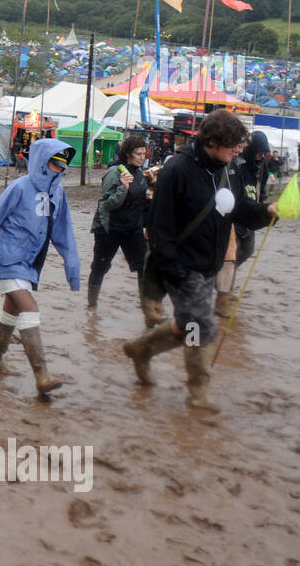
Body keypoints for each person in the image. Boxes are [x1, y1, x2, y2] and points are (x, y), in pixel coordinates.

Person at [121, 110, 278, 416]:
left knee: (186, 324)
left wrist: (266, 211)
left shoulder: (228, 169)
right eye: (234, 144)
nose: (239, 150)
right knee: (200, 324)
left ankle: (141, 350)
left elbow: (239, 208)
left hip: (210, 264)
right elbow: (159, 226)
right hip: (181, 265)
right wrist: (173, 271)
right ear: (213, 141)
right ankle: (198, 393)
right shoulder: (176, 170)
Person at [0, 138, 79, 396]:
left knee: (11, 311)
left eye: (63, 166)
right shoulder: (19, 188)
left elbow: (64, 232)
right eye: (55, 164)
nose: (59, 170)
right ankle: (42, 375)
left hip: (31, 263)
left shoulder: (58, 193)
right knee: (29, 308)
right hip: (7, 259)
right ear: (43, 163)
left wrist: (72, 264)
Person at [86, 135, 150, 312]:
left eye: (144, 153)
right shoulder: (115, 172)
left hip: (133, 229)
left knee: (144, 267)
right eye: (138, 153)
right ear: (128, 153)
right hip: (110, 229)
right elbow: (106, 204)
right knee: (100, 266)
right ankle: (92, 307)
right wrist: (123, 188)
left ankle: (148, 309)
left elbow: (141, 203)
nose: (142, 157)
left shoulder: (140, 174)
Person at [214, 130, 274, 317]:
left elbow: (261, 184)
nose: (260, 156)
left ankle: (222, 281)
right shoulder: (235, 165)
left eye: (263, 154)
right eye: (258, 152)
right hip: (232, 213)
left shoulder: (260, 165)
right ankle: (223, 296)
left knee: (247, 250)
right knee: (229, 257)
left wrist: (263, 202)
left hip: (250, 210)